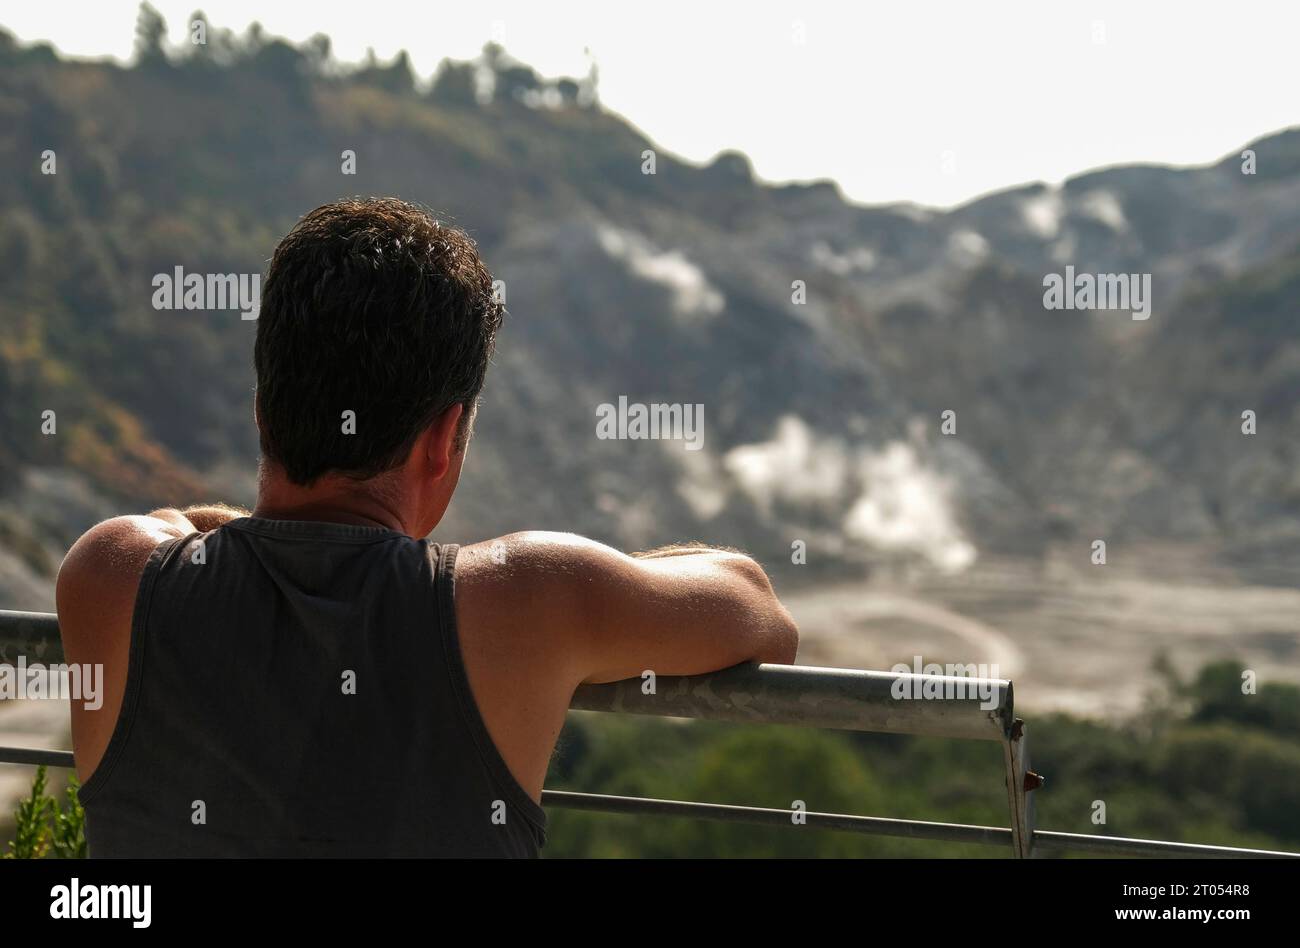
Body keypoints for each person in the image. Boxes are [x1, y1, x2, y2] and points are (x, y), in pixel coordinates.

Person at [55, 197, 799, 857]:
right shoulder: (532, 595)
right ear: (444, 438)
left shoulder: (111, 573)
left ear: (263, 409)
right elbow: (758, 611)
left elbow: (186, 529)